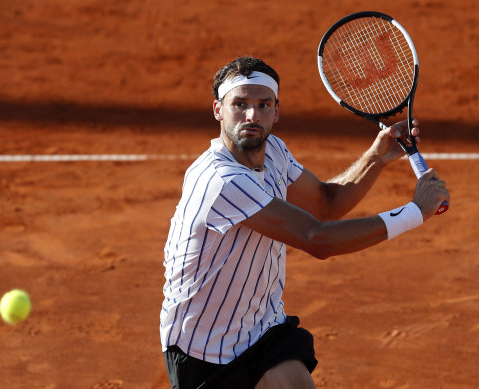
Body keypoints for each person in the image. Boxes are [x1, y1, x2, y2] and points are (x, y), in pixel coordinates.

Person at [159, 56, 449, 389]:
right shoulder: (221, 181)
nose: (252, 115)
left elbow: (325, 203)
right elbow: (317, 238)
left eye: (263, 105)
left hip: (261, 330)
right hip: (204, 349)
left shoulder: (275, 153)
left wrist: (376, 157)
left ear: (276, 112)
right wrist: (416, 211)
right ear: (218, 110)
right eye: (240, 104)